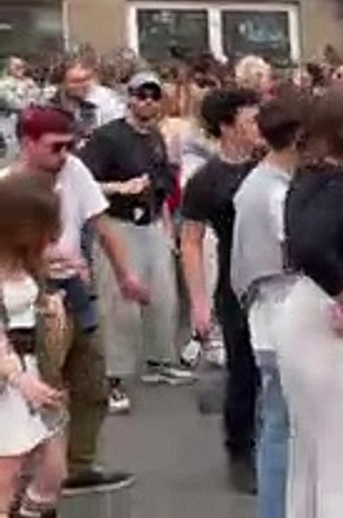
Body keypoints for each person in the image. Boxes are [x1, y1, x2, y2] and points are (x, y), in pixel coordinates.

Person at [6, 105, 146, 493]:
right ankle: (32, 472)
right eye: (56, 146)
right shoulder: (9, 187)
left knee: (91, 378)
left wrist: (126, 276)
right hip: (32, 294)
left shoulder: (74, 171)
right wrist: (43, 259)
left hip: (75, 288)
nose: (64, 154)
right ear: (28, 143)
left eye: (70, 145)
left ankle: (77, 466)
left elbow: (102, 225)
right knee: (44, 384)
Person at [277, 88, 343, 518]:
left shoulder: (305, 177)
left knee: (312, 448)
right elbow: (309, 245)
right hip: (328, 314)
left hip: (302, 309)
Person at [79, 71, 187, 414]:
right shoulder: (107, 137)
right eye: (142, 95)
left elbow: (164, 184)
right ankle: (114, 377)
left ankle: (159, 360)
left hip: (151, 223)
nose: (148, 102)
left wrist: (166, 225)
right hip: (118, 224)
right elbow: (83, 181)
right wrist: (119, 188)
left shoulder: (155, 137)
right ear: (130, 98)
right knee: (119, 304)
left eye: (154, 96)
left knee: (163, 297)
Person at [179, 87, 264, 494]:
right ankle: (240, 451)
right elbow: (191, 241)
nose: (259, 126)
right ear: (228, 127)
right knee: (243, 371)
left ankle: (277, 443)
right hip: (235, 287)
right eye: (251, 120)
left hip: (277, 281)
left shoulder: (271, 166)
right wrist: (199, 303)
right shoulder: (206, 180)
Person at [230, 96, 304, 518]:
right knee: (281, 422)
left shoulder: (263, 183)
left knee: (282, 420)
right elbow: (293, 254)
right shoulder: (273, 192)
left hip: (271, 315)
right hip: (279, 316)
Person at [0, 174, 70, 518]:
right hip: (10, 377)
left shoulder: (24, 262)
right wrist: (18, 379)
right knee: (7, 474)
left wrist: (47, 305)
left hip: (30, 370)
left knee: (53, 467)